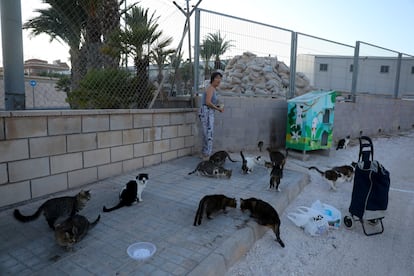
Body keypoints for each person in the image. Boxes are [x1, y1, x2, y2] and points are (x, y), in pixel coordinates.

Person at [199, 71, 224, 160]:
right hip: (206, 112)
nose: (219, 80)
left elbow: (210, 102)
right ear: (214, 78)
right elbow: (207, 102)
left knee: (208, 133)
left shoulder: (213, 89)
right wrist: (218, 109)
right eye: (218, 78)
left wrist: (217, 107)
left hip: (209, 112)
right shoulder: (210, 88)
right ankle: (206, 154)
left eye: (220, 78)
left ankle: (205, 153)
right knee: (208, 134)